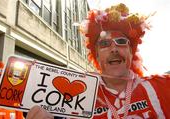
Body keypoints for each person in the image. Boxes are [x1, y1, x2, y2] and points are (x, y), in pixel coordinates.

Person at [26, 3, 170, 119]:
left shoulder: (163, 87)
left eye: (121, 41)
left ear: (131, 52)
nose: (113, 48)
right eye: (104, 44)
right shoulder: (77, 98)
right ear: (97, 56)